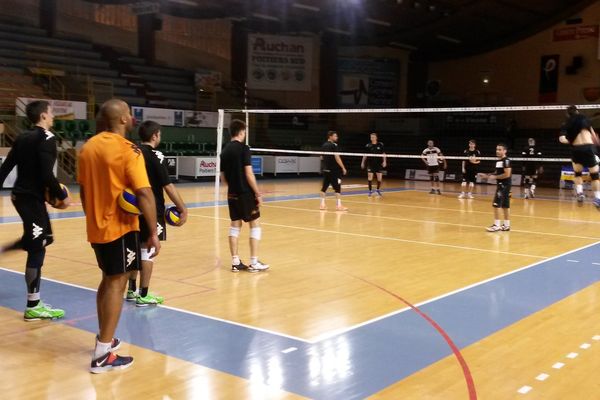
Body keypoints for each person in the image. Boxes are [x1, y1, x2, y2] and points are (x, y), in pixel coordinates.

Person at [78, 99, 160, 373]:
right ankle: (102, 355)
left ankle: (106, 338)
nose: (132, 118)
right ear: (124, 119)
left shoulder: (88, 147)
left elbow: (83, 190)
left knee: (108, 280)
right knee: (117, 283)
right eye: (129, 114)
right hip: (121, 227)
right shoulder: (129, 150)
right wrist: (154, 232)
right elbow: (144, 193)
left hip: (96, 226)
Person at [0, 100, 71, 321]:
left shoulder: (21, 137)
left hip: (21, 197)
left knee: (44, 238)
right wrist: (61, 196)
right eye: (50, 113)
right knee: (37, 248)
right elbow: (46, 175)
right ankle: (33, 305)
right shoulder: (47, 138)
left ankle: (6, 249)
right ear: (42, 116)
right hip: (31, 199)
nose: (53, 117)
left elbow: (6, 167)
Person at [126, 121, 188, 306]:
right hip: (152, 208)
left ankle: (131, 290)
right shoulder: (156, 156)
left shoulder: (133, 152)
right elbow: (167, 185)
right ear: (154, 135)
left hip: (132, 208)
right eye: (159, 134)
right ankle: (143, 295)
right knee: (149, 250)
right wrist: (182, 208)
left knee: (136, 249)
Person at [220, 119, 269, 273]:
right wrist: (257, 193)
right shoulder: (244, 148)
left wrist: (233, 187)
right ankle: (254, 263)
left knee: (235, 226)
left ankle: (235, 261)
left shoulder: (225, 150)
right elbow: (249, 173)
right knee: (255, 226)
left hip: (232, 194)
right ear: (241, 132)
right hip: (245, 193)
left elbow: (223, 177)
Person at [558, 105, 600, 207]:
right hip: (588, 147)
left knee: (577, 173)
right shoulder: (584, 119)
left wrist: (571, 141)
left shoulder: (566, 124)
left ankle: (580, 193)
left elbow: (561, 139)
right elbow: (594, 137)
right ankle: (598, 199)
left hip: (576, 149)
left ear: (568, 114)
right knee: (595, 176)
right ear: (577, 111)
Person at [319, 131, 348, 210]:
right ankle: (339, 206)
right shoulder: (334, 145)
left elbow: (321, 157)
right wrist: (343, 167)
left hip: (326, 170)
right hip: (334, 170)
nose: (337, 137)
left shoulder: (324, 145)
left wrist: (325, 165)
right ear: (330, 136)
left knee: (324, 188)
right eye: (335, 136)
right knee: (337, 188)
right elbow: (337, 157)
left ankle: (322, 205)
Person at [486, 143, 512, 232]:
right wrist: (487, 175)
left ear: (505, 151)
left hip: (504, 185)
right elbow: (497, 172)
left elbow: (507, 174)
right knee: (505, 206)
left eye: (500, 149)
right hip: (502, 185)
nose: (497, 151)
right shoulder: (498, 161)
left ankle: (496, 225)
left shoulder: (506, 160)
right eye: (497, 149)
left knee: (496, 204)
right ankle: (506, 225)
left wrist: (495, 177)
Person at [360, 132, 386, 196]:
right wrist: (362, 162)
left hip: (379, 164)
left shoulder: (380, 144)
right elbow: (365, 155)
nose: (372, 138)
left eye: (373, 137)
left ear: (376, 137)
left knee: (379, 178)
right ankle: (370, 191)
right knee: (370, 178)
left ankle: (377, 190)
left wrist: (384, 161)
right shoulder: (368, 145)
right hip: (370, 164)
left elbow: (383, 154)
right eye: (371, 137)